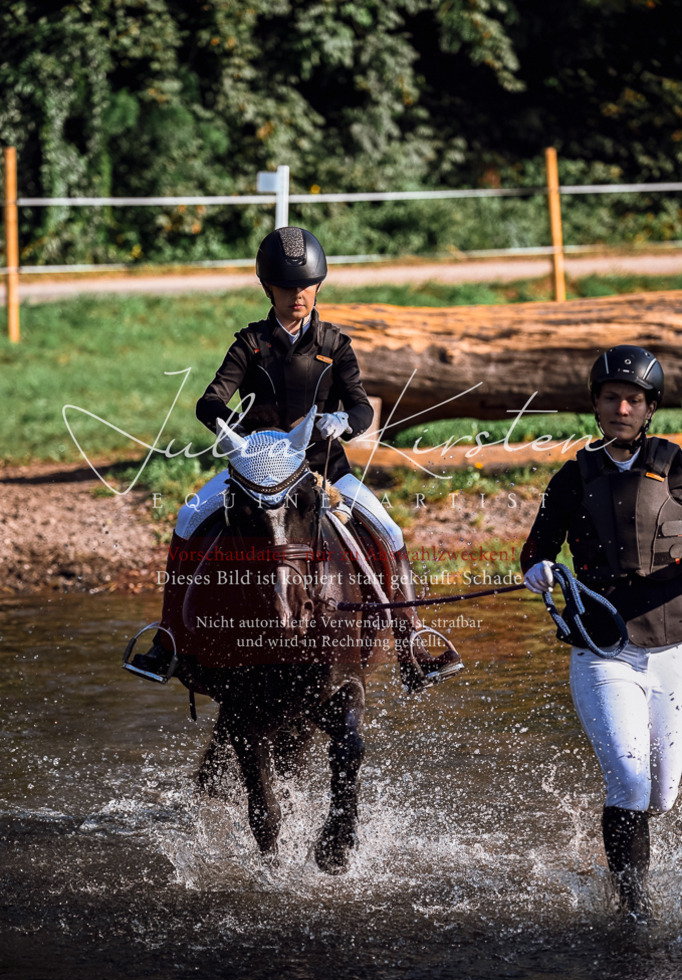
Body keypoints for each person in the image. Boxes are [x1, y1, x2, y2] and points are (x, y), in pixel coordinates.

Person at [131, 225, 461, 689]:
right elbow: (210, 401)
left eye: (306, 286)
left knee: (388, 529)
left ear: (319, 286)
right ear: (268, 288)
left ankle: (412, 645)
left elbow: (362, 406)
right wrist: (233, 433)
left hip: (327, 469)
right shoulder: (250, 345)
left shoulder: (335, 345)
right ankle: (167, 641)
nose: (298, 296)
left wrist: (345, 421)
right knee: (187, 518)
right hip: (257, 472)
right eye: (287, 288)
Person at [521, 344, 682, 920]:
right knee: (631, 784)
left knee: (662, 795)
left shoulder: (675, 463)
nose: (621, 408)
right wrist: (536, 569)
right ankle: (634, 914)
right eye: (611, 397)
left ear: (649, 408)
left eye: (633, 400)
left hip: (670, 651)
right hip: (603, 651)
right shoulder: (571, 477)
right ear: (595, 404)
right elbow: (536, 549)